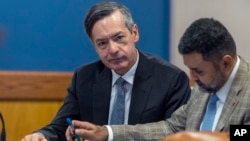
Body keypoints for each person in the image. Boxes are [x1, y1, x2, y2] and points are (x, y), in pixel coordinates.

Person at [21, 1, 191, 141]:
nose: (113, 49)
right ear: (94, 46)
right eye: (102, 43)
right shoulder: (84, 78)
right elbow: (62, 125)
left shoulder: (170, 79)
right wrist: (42, 135)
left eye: (119, 38)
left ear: (134, 33)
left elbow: (175, 134)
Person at [66, 18, 250, 141]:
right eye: (189, 69)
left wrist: (198, 138)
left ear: (226, 63)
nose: (192, 78)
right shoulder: (204, 89)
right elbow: (170, 127)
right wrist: (107, 132)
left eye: (198, 71)